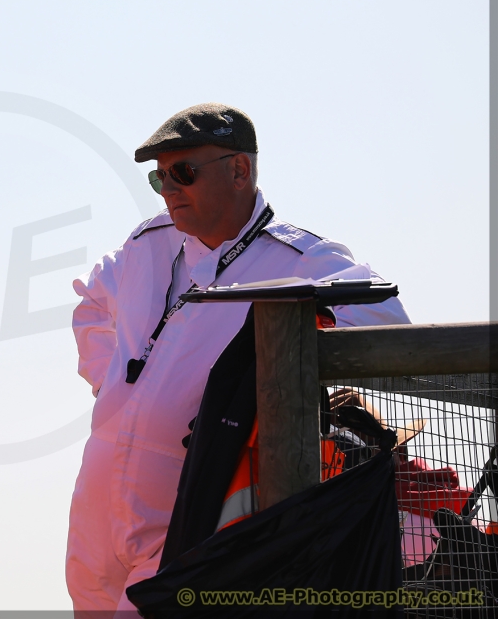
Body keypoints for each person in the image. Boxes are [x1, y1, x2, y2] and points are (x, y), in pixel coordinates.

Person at [65, 103, 410, 613]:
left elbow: (390, 324)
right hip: (97, 501)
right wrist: (111, 386)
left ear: (240, 170)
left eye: (183, 171)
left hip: (189, 500)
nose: (170, 190)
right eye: (159, 179)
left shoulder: (297, 259)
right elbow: (91, 304)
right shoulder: (147, 243)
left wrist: (304, 328)